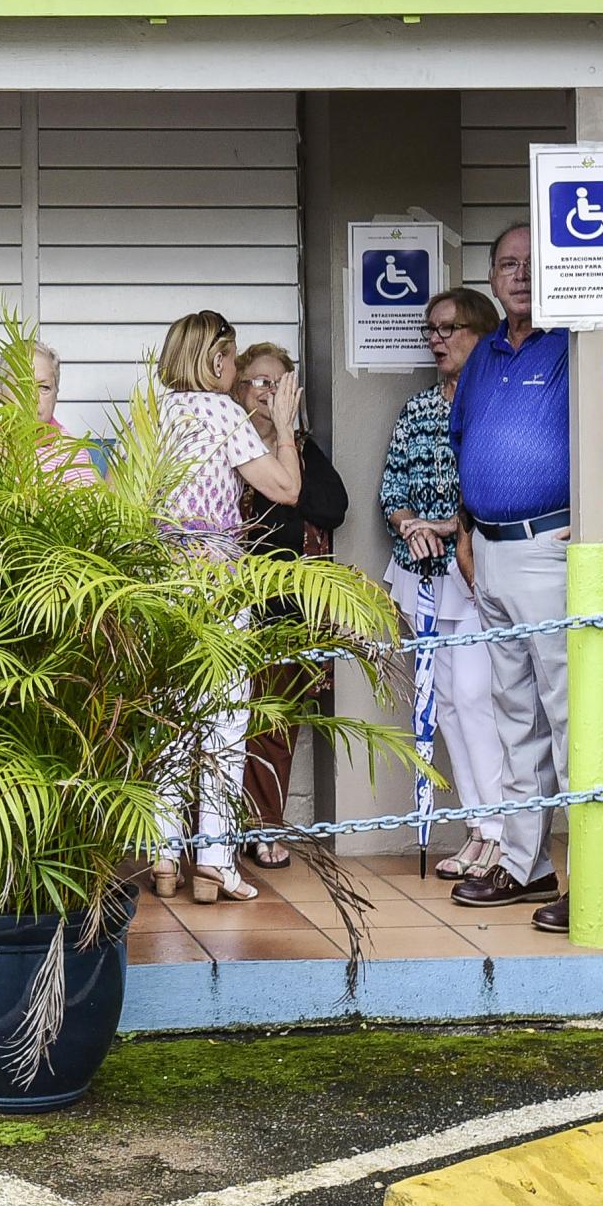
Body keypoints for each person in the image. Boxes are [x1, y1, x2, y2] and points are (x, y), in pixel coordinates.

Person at [449, 224, 603, 934]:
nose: (521, 276)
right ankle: (522, 862)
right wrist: (469, 534)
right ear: (492, 278)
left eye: (535, 264)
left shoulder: (596, 340)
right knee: (515, 718)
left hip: (556, 550)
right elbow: (464, 443)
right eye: (508, 264)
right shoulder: (487, 355)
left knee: (575, 718)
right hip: (494, 555)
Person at [150, 310, 307, 905]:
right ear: (216, 362)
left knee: (168, 720)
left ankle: (165, 857)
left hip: (164, 582)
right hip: (216, 583)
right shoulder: (223, 414)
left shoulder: (156, 414)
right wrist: (285, 428)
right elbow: (286, 490)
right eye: (233, 361)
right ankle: (214, 862)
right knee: (224, 720)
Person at [377, 287, 510, 882]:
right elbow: (392, 489)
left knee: (479, 700)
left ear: (480, 333)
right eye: (429, 330)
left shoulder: (495, 404)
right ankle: (478, 829)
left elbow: (502, 490)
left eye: (447, 328)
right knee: (447, 706)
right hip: (423, 578)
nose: (436, 340)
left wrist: (451, 525)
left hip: (476, 570)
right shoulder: (418, 410)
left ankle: (503, 832)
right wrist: (408, 524)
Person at [230, 340, 349, 868]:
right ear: (236, 387)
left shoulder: (302, 448)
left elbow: (333, 507)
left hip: (286, 614)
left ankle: (263, 829)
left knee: (273, 730)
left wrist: (286, 452)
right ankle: (204, 835)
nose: (266, 391)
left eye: (277, 383)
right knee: (218, 727)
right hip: (227, 606)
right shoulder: (223, 440)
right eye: (257, 380)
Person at [29, 340, 101, 486]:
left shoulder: (72, 457)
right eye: (20, 385)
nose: (32, 397)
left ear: (56, 395)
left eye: (44, 387)